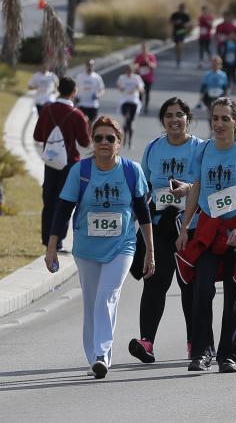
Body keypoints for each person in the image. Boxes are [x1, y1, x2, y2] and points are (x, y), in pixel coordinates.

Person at [44, 116, 154, 379]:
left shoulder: (131, 170)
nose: (104, 143)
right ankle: (93, 355)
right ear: (92, 141)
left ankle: (102, 354)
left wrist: (150, 250)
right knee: (93, 303)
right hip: (87, 249)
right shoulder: (80, 171)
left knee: (107, 295)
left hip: (122, 246)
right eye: (98, 138)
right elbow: (62, 211)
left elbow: (143, 211)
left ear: (119, 142)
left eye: (110, 138)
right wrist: (51, 247)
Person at [176, 98, 236, 373]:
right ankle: (202, 352)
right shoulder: (203, 151)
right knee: (202, 291)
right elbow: (195, 190)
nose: (218, 124)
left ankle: (228, 355)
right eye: (215, 118)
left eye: (225, 119)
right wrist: (184, 228)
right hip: (207, 230)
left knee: (233, 294)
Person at [129, 98, 202, 364]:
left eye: (179, 114)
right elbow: (144, 186)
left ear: (188, 119)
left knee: (190, 287)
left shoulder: (201, 148)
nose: (174, 119)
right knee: (154, 282)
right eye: (169, 115)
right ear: (162, 121)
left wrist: (189, 190)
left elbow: (208, 184)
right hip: (160, 224)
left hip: (189, 227)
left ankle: (195, 343)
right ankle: (146, 341)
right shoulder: (153, 148)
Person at [33, 76, 91, 249]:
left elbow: (37, 136)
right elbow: (85, 142)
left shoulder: (47, 109)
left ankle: (46, 239)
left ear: (58, 89)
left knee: (48, 199)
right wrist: (86, 124)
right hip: (70, 164)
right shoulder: (77, 115)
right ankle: (57, 240)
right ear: (74, 92)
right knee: (64, 201)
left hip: (50, 160)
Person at [116, 64, 145, 147]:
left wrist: (138, 88)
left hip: (134, 101)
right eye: (127, 70)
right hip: (124, 101)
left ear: (132, 70)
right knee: (126, 118)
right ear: (125, 71)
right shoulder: (122, 78)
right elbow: (118, 87)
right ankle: (124, 137)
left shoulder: (136, 78)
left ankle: (129, 139)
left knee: (131, 122)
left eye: (130, 70)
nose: (128, 72)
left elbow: (142, 89)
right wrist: (121, 88)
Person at [74, 59, 105, 125]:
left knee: (91, 124)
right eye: (88, 65)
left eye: (91, 65)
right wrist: (75, 96)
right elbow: (75, 88)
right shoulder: (80, 76)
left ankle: (89, 135)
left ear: (93, 66)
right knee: (83, 123)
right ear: (85, 66)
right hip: (82, 104)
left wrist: (98, 95)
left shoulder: (97, 77)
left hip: (93, 104)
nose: (89, 67)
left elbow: (102, 89)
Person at [133, 42, 157, 114]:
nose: (144, 50)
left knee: (147, 92)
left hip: (148, 78)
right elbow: (134, 67)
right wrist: (136, 67)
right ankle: (139, 106)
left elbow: (154, 66)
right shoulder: (138, 57)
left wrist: (148, 62)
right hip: (140, 78)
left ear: (148, 49)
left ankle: (146, 106)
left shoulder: (151, 56)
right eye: (143, 49)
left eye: (145, 49)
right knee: (140, 93)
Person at [169, 3, 191, 68]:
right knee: (177, 47)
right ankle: (178, 57)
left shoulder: (186, 15)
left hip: (182, 32)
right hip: (176, 32)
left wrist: (186, 25)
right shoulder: (175, 14)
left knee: (180, 46)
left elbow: (189, 24)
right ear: (179, 8)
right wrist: (176, 22)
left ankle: (179, 59)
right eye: (181, 8)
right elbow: (170, 21)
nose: (182, 9)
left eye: (183, 8)